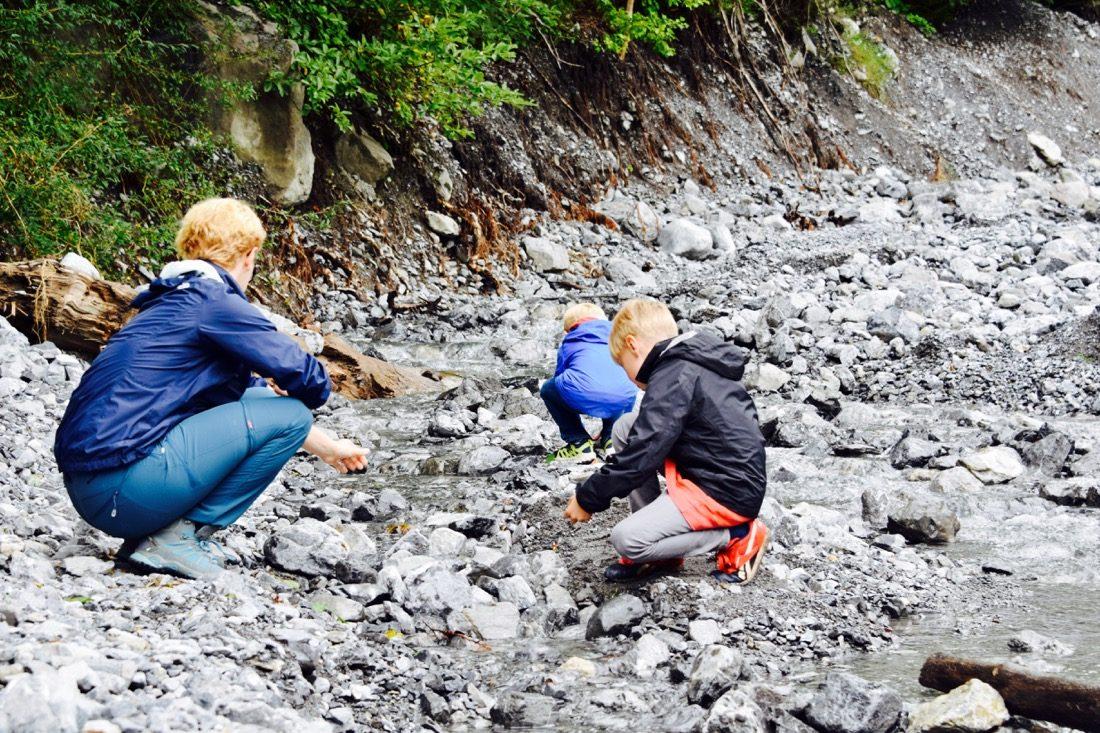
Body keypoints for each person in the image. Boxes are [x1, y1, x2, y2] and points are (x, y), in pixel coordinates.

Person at [54, 198, 368, 580]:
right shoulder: (212, 302)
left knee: (270, 405)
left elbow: (238, 398)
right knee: (293, 413)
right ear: (249, 256)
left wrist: (328, 448)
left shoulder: (168, 299)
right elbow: (310, 379)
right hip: (122, 492)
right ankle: (178, 539)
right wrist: (296, 392)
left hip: (95, 489)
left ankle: (160, 537)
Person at [563, 298, 769, 584]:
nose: (630, 379)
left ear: (633, 345)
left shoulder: (672, 375)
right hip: (725, 474)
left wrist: (588, 497)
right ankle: (662, 551)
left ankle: (737, 536)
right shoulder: (689, 362)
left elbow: (642, 454)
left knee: (627, 540)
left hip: (724, 490)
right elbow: (645, 439)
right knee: (625, 426)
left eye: (624, 366)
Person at [540, 303, 638, 463]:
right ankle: (612, 439)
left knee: (549, 390)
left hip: (582, 394)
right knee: (620, 383)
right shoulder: (619, 337)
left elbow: (561, 378)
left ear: (570, 329)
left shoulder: (571, 340)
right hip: (622, 396)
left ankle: (579, 442)